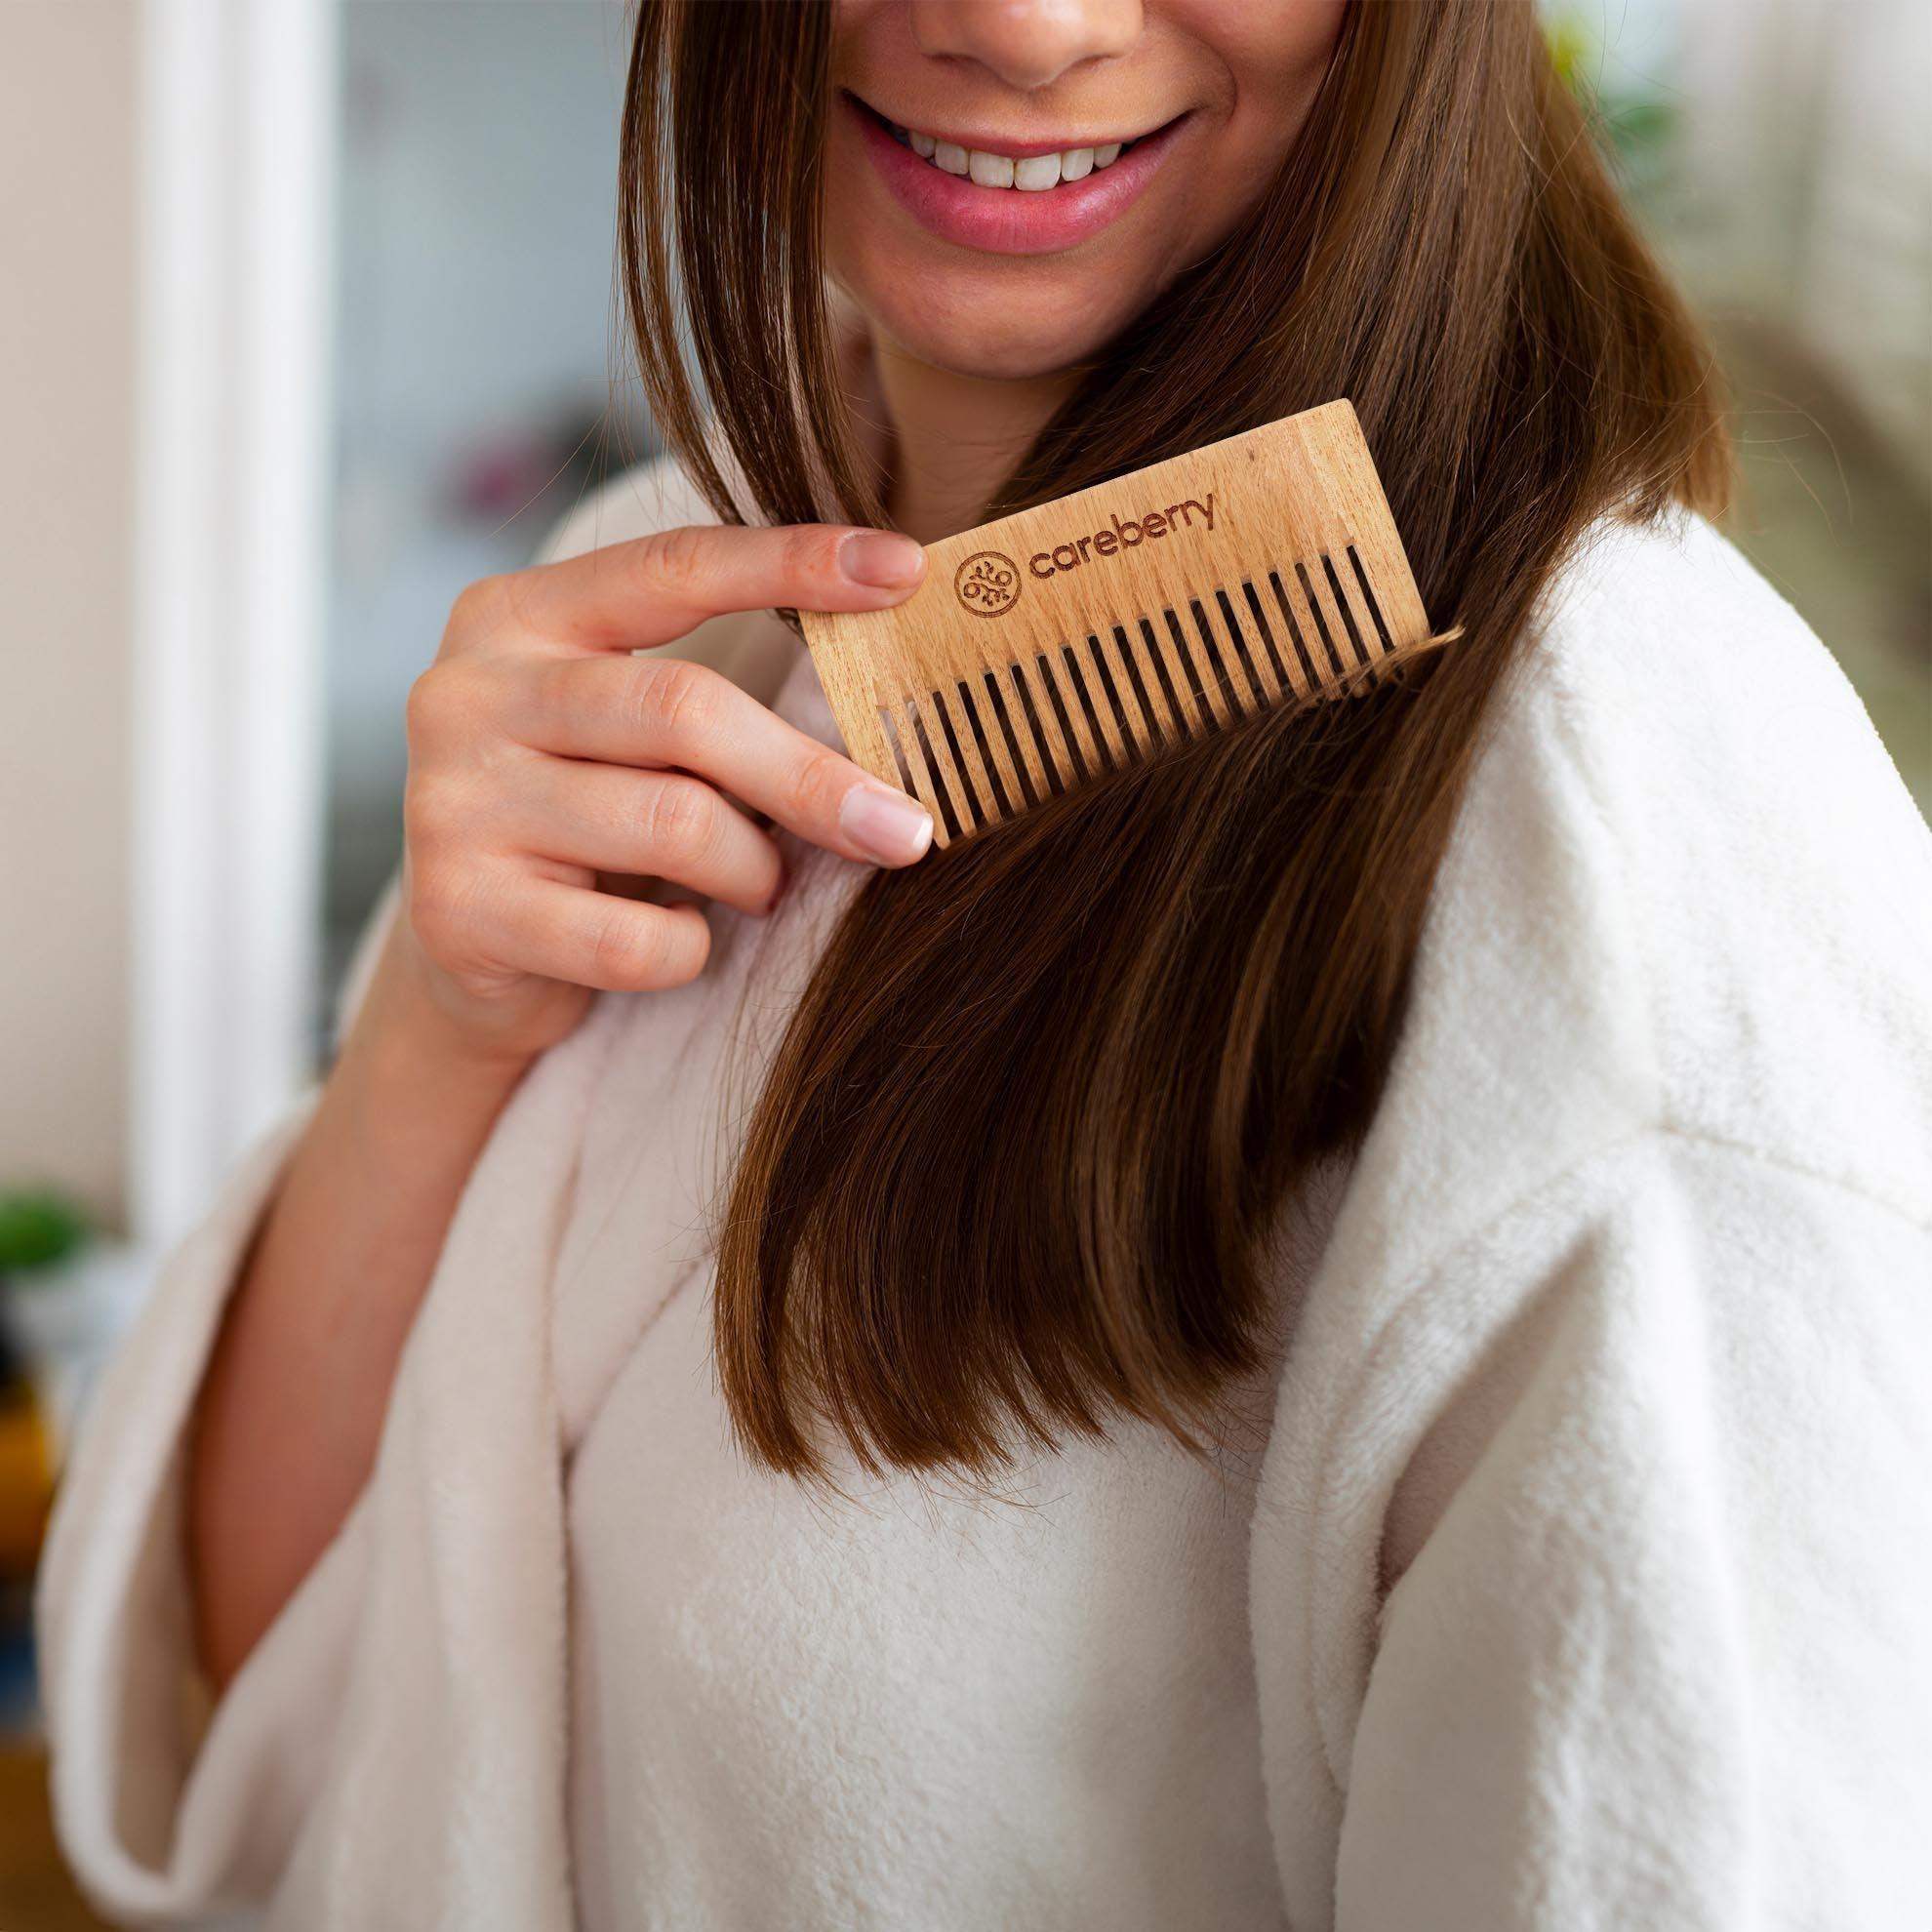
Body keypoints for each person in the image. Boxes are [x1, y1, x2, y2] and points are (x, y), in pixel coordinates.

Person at [37, 3, 1932, 1927]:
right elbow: (303, 1696)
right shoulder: (677, 602)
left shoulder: (1635, 895)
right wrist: (438, 1041)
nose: (1023, 26)